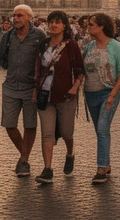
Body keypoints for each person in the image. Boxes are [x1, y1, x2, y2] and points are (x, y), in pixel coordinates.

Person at [0, 4, 48, 177]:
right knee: (9, 124)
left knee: (29, 124)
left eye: (19, 15)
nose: (15, 18)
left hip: (31, 87)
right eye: (14, 15)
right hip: (10, 86)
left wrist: (37, 81)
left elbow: (45, 59)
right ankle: (24, 155)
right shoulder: (7, 36)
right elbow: (1, 57)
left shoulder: (39, 35)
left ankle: (24, 161)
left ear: (29, 18)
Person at [34, 10, 84, 184]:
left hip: (65, 95)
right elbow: (38, 70)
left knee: (66, 132)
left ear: (64, 25)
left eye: (57, 22)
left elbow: (79, 69)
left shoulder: (71, 45)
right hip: (45, 96)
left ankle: (70, 153)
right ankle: (47, 169)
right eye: (51, 22)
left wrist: (74, 88)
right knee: (47, 133)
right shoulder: (43, 44)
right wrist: (35, 90)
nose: (53, 25)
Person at [82, 12, 120, 184]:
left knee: (102, 129)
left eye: (92, 24)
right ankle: (106, 164)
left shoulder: (115, 46)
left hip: (108, 93)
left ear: (101, 26)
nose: (89, 27)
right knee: (100, 131)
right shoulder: (90, 46)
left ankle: (101, 168)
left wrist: (113, 95)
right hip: (91, 94)